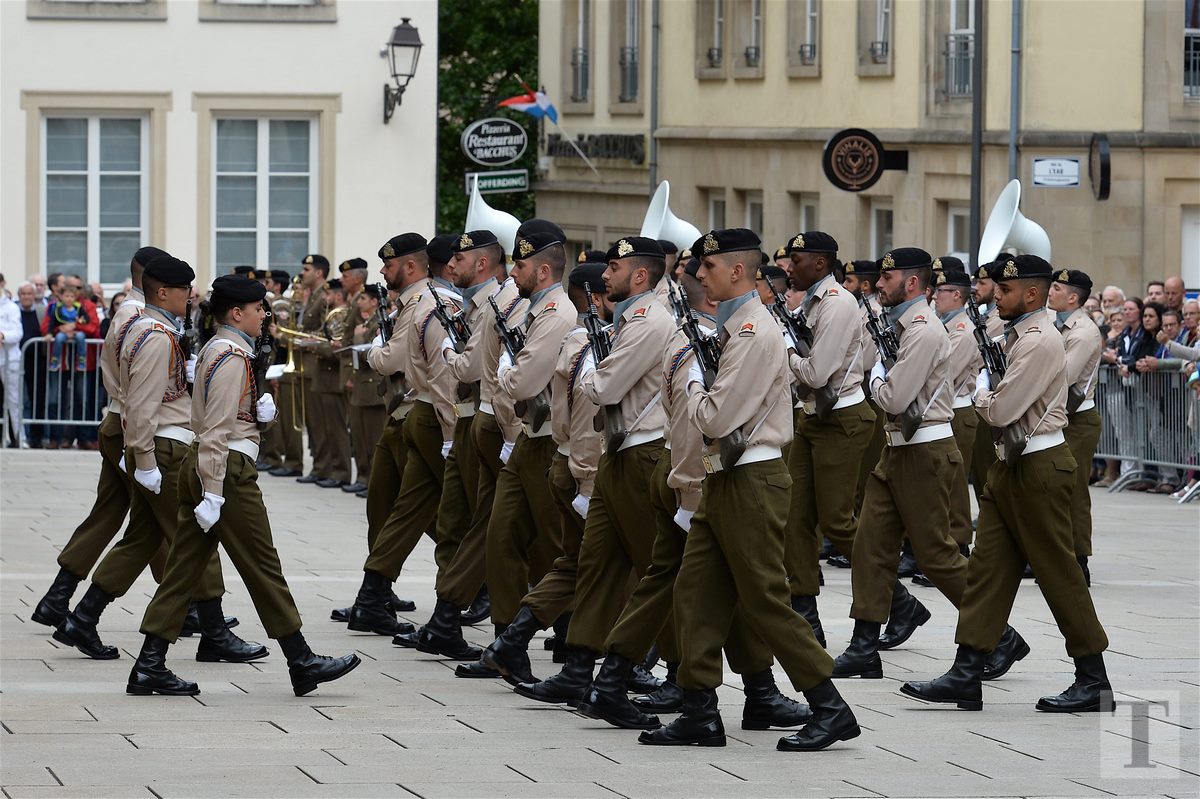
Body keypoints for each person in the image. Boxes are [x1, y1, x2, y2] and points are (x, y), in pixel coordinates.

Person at [640, 228, 859, 752]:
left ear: (737, 271)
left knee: (764, 600)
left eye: (708, 267)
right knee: (694, 592)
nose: (697, 275)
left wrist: (692, 385)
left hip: (752, 477)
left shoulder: (753, 333)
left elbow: (715, 417)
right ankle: (698, 710)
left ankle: (830, 707)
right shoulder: (735, 326)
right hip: (725, 478)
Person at [127, 275, 361, 697]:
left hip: (213, 465)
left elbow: (219, 419)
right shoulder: (231, 355)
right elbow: (215, 431)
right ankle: (301, 659)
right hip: (226, 471)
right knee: (263, 566)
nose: (265, 315)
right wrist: (215, 491)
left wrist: (257, 415)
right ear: (237, 313)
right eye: (258, 309)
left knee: (182, 570)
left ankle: (149, 664)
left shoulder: (223, 350)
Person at [901, 254, 1113, 715]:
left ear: (1032, 294)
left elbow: (999, 411)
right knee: (986, 574)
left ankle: (1093, 678)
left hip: (1038, 467)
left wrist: (981, 394)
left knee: (1060, 577)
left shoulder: (1038, 341)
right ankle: (966, 671)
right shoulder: (1019, 335)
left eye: (1006, 290)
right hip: (1010, 465)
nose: (997, 295)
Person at [51, 255, 256, 663]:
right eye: (184, 290)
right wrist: (143, 461)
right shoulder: (156, 334)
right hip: (164, 446)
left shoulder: (150, 327)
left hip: (159, 443)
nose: (191, 296)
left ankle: (83, 617)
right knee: (195, 538)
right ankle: (213, 631)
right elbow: (142, 407)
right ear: (164, 292)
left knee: (142, 538)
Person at [511, 236, 674, 706]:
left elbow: (601, 387)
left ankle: (681, 675)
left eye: (614, 269)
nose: (603, 276)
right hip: (616, 454)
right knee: (598, 564)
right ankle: (580, 666)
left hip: (640, 455)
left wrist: (587, 375)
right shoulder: (626, 320)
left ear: (639, 276)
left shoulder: (647, 322)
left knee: (654, 571)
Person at [832, 248, 977, 681]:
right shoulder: (901, 326)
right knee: (870, 546)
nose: (878, 283)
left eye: (887, 277)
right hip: (897, 448)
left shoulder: (923, 330)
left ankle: (997, 634)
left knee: (937, 557)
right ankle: (863, 646)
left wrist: (875, 371)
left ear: (911, 283)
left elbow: (893, 398)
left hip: (925, 451)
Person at [475, 254, 607, 684]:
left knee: (562, 547)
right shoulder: (535, 310)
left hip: (552, 438)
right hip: (528, 437)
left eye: (519, 267)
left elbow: (525, 381)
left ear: (543, 270)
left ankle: (575, 643)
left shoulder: (556, 315)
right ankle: (506, 642)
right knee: (502, 536)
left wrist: (507, 374)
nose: (511, 275)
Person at [782, 233, 875, 650]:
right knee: (795, 516)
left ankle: (892, 595)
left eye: (796, 260)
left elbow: (818, 372)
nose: (789, 267)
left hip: (841, 418)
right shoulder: (813, 301)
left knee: (837, 521)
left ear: (820, 264)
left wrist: (783, 351)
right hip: (814, 416)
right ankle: (805, 611)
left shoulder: (837, 303)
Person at [1049, 269, 1104, 585]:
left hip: (1077, 419)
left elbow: (1063, 376)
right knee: (1052, 489)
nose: (1050, 292)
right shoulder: (1057, 323)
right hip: (1060, 417)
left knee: (1073, 490)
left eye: (1056, 288)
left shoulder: (1082, 332)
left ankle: (1078, 560)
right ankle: (1053, 555)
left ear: (1073, 297)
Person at [309, 278, 353, 488]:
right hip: (322, 377)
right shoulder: (330, 316)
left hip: (333, 377)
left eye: (328, 295)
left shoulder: (342, 316)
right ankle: (324, 469)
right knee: (322, 429)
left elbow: (339, 349)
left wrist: (317, 347)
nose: (325, 299)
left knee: (336, 429)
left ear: (337, 295)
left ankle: (341, 472)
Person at [292, 254, 331, 484]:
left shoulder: (324, 297)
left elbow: (327, 332)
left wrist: (304, 339)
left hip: (316, 363)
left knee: (319, 421)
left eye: (307, 269)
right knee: (312, 420)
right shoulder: (311, 296)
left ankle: (323, 467)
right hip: (306, 364)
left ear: (318, 272)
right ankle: (318, 466)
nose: (302, 273)